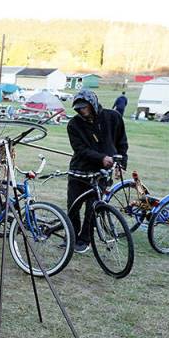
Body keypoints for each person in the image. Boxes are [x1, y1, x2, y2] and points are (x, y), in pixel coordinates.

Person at [66, 88, 128, 253]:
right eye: (78, 108)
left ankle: (84, 239)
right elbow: (80, 149)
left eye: (84, 107)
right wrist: (101, 158)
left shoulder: (113, 117)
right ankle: (71, 236)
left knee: (93, 209)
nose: (81, 111)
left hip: (102, 174)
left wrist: (121, 163)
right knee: (73, 207)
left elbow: (122, 142)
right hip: (79, 172)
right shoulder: (74, 124)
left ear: (92, 104)